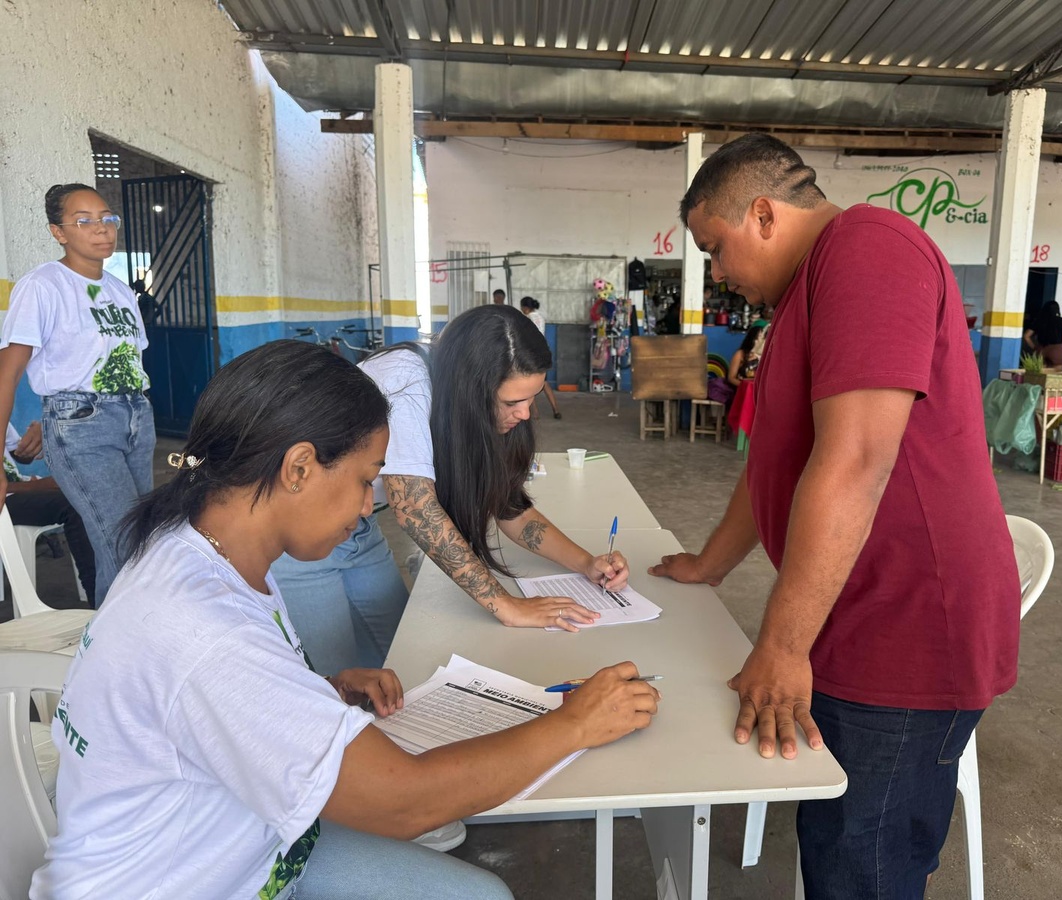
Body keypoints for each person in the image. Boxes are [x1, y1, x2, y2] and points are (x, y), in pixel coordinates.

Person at [30, 340, 659, 899]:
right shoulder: (205, 630)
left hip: (247, 842)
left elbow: (206, 708)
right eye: (364, 481)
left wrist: (320, 692)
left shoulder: (196, 549)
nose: (366, 508)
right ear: (299, 467)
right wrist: (574, 724)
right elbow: (403, 802)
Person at [650, 133, 1019, 897]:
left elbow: (855, 460)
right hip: (854, 612)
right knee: (835, 839)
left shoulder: (868, 249)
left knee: (862, 862)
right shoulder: (802, 295)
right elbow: (775, 460)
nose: (716, 274)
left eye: (714, 249)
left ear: (763, 214)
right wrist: (710, 564)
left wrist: (782, 646)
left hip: (908, 625)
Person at [273, 305, 627, 675]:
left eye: (531, 398)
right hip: (299, 527)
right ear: (471, 388)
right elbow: (415, 508)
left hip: (356, 525)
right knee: (337, 677)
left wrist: (588, 563)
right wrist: (506, 605)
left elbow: (512, 510)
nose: (525, 414)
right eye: (511, 402)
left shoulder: (470, 406)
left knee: (396, 663)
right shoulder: (405, 381)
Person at [0, 183, 154, 606]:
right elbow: (7, 373)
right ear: (58, 232)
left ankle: (129, 631)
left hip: (136, 417)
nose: (101, 229)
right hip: (81, 425)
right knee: (122, 543)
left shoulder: (120, 291)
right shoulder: (43, 286)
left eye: (107, 218)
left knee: (143, 537)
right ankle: (117, 639)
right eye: (84, 221)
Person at [3, 420, 96, 605]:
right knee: (72, 505)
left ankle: (115, 588)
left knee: (92, 491)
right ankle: (98, 598)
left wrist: (31, 444)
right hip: (5, 501)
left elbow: (21, 456)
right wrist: (36, 486)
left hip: (18, 490)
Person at [519, 296, 562, 419]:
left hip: (531, 353)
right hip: (543, 352)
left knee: (528, 383)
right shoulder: (540, 317)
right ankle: (556, 410)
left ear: (525, 308)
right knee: (544, 382)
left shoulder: (526, 319)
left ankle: (535, 413)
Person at [726, 325, 766, 453]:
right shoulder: (740, 354)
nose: (760, 341)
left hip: (757, 393)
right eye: (757, 338)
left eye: (762, 338)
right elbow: (731, 378)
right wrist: (744, 386)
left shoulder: (763, 357)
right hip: (741, 391)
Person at [1023, 300, 1062, 368]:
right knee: (1056, 373)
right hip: (1056, 350)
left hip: (1041, 350)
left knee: (1041, 373)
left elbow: (1026, 336)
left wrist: (1035, 347)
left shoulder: (1039, 321)